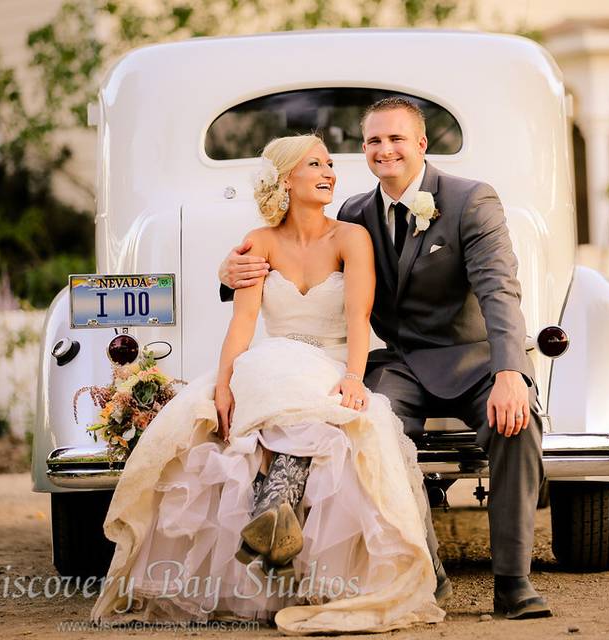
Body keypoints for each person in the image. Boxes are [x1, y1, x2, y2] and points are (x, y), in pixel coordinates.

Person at [91, 134, 444, 634]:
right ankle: (274, 511)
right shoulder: (258, 242)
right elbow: (243, 324)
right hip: (273, 357)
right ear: (285, 179)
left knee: (314, 411)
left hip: (332, 359)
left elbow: (359, 316)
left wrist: (352, 378)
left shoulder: (351, 238)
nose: (329, 172)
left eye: (329, 164)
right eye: (315, 164)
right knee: (240, 409)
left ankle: (272, 507)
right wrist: (222, 385)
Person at [219, 98, 551, 619]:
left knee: (518, 424)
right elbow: (300, 256)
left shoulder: (471, 200)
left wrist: (511, 372)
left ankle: (513, 582)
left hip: (475, 359)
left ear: (421, 144)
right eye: (373, 140)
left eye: (396, 138)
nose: (384, 149)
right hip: (400, 362)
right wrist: (229, 272)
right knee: (367, 429)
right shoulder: (354, 213)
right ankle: (427, 574)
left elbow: (499, 291)